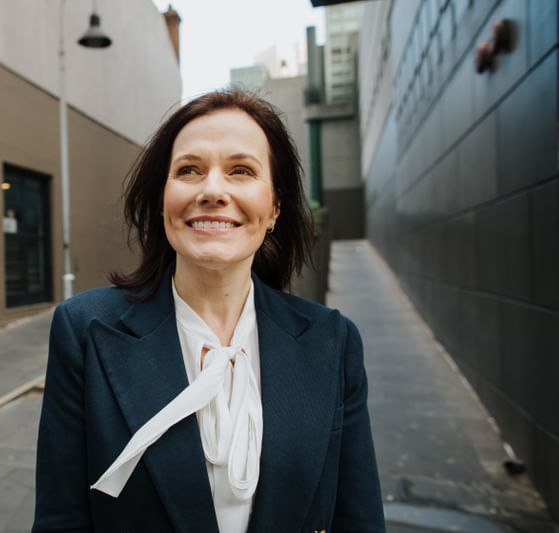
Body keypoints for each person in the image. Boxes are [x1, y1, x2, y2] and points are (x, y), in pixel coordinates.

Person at [32, 89, 385, 533]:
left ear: (275, 206)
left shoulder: (333, 341)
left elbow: (359, 518)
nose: (212, 190)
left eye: (241, 170)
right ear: (162, 200)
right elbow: (60, 520)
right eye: (189, 170)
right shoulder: (84, 330)